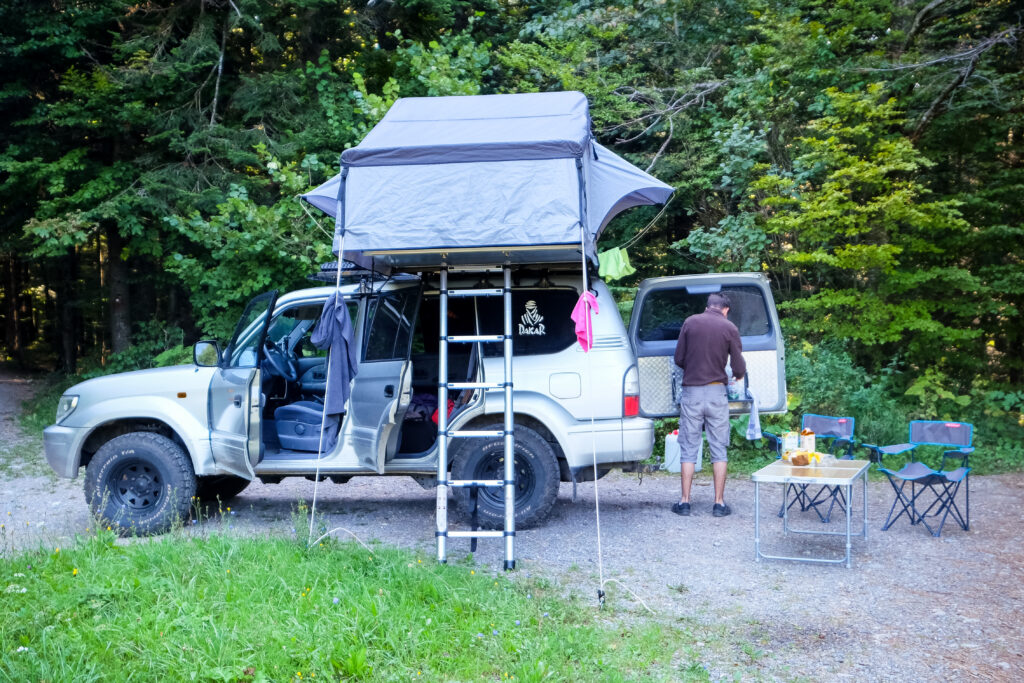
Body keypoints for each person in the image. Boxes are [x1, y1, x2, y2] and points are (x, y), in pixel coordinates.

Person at [671, 292, 745, 517]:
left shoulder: (690, 322)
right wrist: (738, 375)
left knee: (688, 448)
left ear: (708, 306)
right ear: (725, 309)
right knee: (718, 448)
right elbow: (739, 364)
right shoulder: (729, 327)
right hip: (716, 393)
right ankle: (719, 504)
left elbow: (678, 359)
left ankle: (684, 503)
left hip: (691, 393)